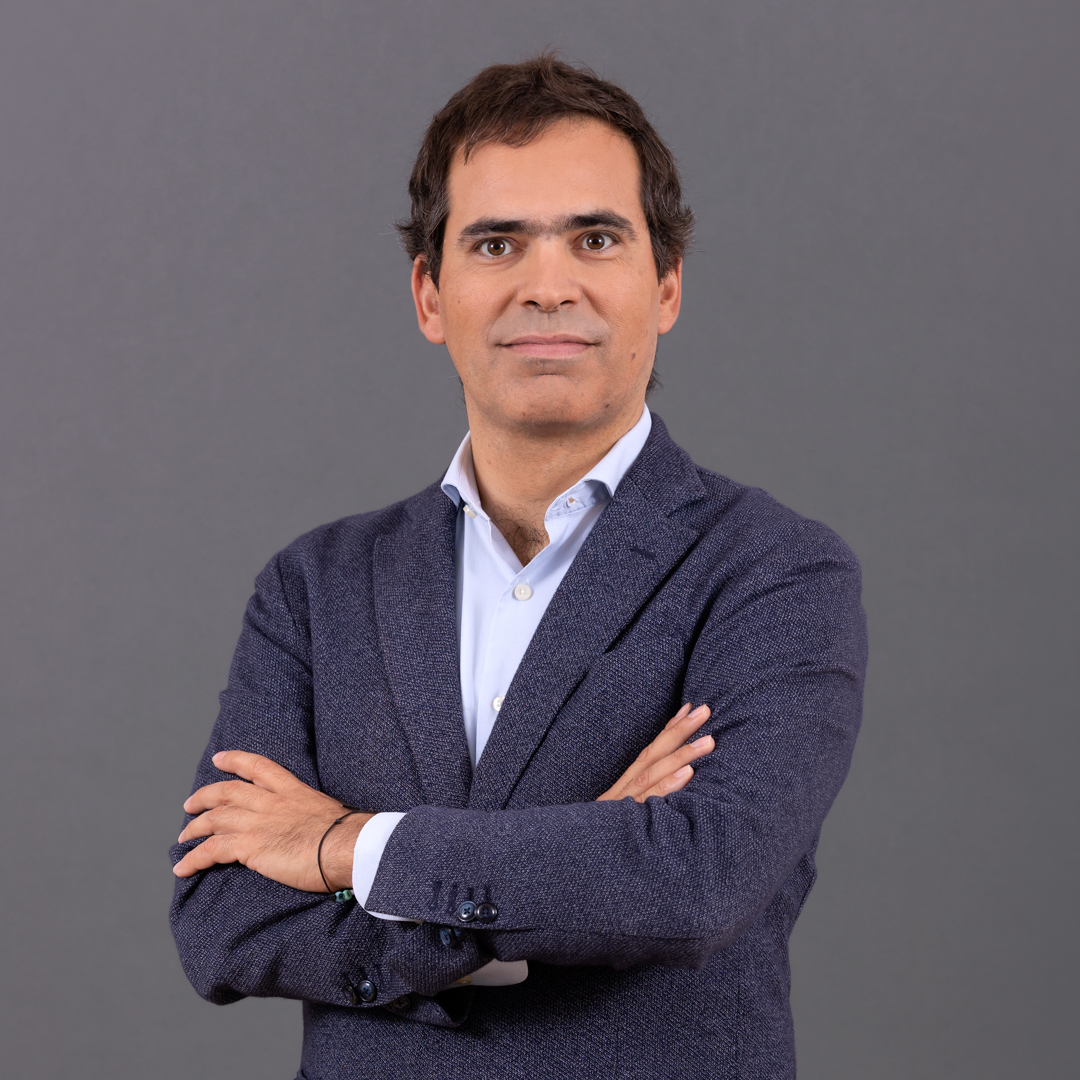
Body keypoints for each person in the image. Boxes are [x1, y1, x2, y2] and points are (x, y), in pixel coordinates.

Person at [170, 55, 867, 1079]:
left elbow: (696, 880)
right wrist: (553, 887)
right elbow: (221, 921)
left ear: (666, 285)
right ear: (430, 294)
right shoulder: (314, 588)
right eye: (497, 244)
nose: (548, 286)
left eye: (596, 239)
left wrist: (343, 847)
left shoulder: (776, 571)